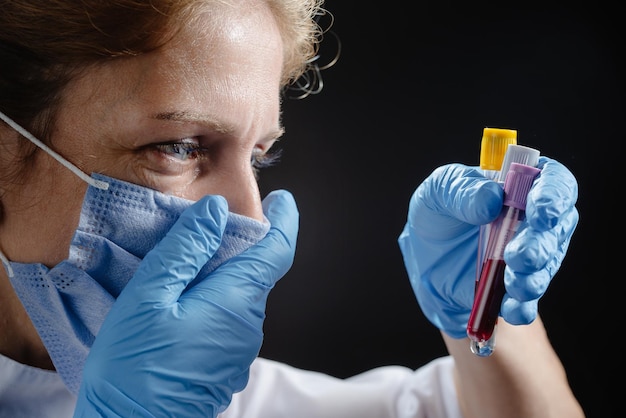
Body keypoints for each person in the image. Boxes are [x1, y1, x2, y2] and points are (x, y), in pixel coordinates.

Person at [0, 0, 584, 417]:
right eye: (178, 147)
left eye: (259, 155)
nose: (251, 219)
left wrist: (488, 298)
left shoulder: (224, 402)